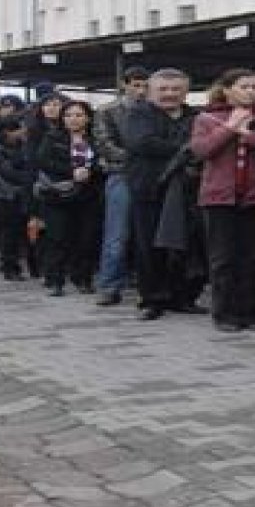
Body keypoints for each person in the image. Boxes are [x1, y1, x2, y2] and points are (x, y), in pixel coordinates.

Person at [190, 68, 255, 332]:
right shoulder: (207, 118)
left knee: (253, 257)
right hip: (219, 198)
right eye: (244, 86)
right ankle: (224, 314)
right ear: (227, 90)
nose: (250, 91)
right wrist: (230, 128)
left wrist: (251, 137)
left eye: (253, 87)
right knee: (223, 258)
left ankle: (250, 312)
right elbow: (201, 151)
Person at [122, 69, 208, 321]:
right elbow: (142, 143)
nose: (170, 94)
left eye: (176, 89)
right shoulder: (139, 113)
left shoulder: (195, 115)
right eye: (163, 89)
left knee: (185, 246)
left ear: (185, 91)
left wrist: (191, 149)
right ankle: (152, 299)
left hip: (187, 191)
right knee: (149, 245)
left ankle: (182, 297)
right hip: (149, 189)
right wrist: (187, 149)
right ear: (150, 90)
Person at [92, 65, 149, 306]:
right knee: (117, 234)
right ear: (125, 85)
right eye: (136, 85)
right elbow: (104, 143)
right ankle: (109, 285)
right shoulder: (108, 111)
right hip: (122, 174)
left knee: (147, 234)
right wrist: (138, 158)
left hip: (148, 176)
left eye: (145, 86)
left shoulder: (153, 110)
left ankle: (146, 285)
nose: (141, 91)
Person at [36, 101, 102, 296]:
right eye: (69, 115)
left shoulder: (96, 138)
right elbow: (43, 161)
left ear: (88, 117)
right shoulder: (52, 137)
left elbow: (104, 162)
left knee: (86, 239)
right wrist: (71, 172)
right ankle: (55, 280)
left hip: (88, 195)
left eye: (79, 115)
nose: (73, 119)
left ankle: (83, 279)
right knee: (57, 238)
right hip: (58, 196)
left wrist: (90, 171)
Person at [0, 115, 33, 281]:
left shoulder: (23, 144)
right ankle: (9, 267)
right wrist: (28, 178)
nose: (24, 131)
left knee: (20, 231)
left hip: (21, 193)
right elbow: (6, 171)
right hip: (2, 194)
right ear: (7, 131)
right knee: (9, 232)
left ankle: (25, 266)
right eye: (20, 129)